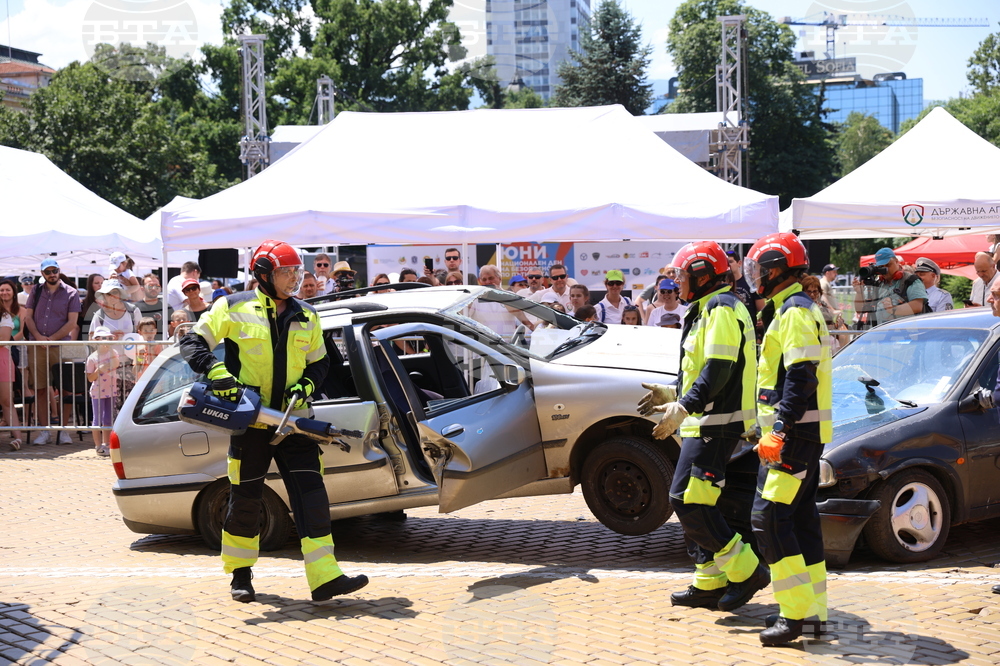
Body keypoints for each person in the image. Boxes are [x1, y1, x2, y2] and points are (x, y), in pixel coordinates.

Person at [180, 239, 368, 603]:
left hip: (295, 422)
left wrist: (307, 384)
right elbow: (192, 343)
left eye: (297, 271)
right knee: (245, 499)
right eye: (286, 272)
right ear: (264, 274)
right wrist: (216, 370)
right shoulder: (231, 307)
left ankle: (325, 576)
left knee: (312, 497)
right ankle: (241, 575)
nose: (294, 279)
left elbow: (322, 363)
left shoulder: (307, 315)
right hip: (250, 421)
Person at [637, 241, 764, 617]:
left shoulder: (722, 309)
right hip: (706, 422)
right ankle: (710, 583)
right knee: (703, 502)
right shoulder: (709, 309)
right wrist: (675, 392)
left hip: (716, 425)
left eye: (682, 275)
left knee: (686, 500)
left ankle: (747, 571)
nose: (677, 283)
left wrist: (684, 405)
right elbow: (704, 371)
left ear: (703, 275)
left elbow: (719, 370)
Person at [744, 232, 832, 645]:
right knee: (800, 521)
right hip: (802, 436)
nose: (756, 276)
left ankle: (793, 615)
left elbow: (800, 376)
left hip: (792, 438)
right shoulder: (790, 309)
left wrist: (779, 428)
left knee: (770, 519)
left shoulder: (794, 312)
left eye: (760, 268)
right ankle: (813, 616)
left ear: (776, 269)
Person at [22, 258, 81, 446]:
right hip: (37, 346)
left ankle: (63, 431)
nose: (52, 274)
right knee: (40, 388)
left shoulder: (72, 293)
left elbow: (72, 323)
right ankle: (44, 431)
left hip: (61, 346)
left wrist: (51, 339)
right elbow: (28, 318)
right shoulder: (36, 291)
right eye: (47, 272)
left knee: (65, 389)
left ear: (59, 270)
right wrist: (39, 337)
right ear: (42, 274)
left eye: (54, 270)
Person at [853, 248, 927, 326]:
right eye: (881, 267)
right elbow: (860, 309)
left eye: (888, 265)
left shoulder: (910, 280)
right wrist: (859, 292)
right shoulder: (878, 284)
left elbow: (917, 306)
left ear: (896, 261)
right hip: (882, 333)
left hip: (906, 332)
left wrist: (893, 309)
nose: (885, 269)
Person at [469, 265, 535, 337]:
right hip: (483, 345)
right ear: (480, 281)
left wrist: (535, 330)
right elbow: (463, 318)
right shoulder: (474, 298)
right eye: (484, 279)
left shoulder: (510, 296)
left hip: (506, 344)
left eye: (491, 278)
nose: (488, 282)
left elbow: (521, 317)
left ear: (499, 278)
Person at [85, 326, 120, 457]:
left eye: (109, 338)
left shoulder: (113, 352)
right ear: (97, 340)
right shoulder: (92, 358)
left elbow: (116, 364)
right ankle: (98, 445)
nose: (107, 341)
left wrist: (111, 351)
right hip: (97, 392)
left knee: (108, 417)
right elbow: (90, 378)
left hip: (111, 390)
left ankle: (107, 443)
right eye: (105, 338)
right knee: (97, 418)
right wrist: (99, 370)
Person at [0, 290, 24, 451]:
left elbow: (3, 339)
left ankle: (18, 438)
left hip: (2, 359)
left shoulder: (5, 316)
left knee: (7, 400)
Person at [79, 273, 105, 339]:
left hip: (105, 340)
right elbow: (76, 327)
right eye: (96, 283)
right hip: (86, 339)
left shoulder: (110, 304)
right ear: (90, 285)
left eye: (102, 283)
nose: (100, 285)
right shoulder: (83, 304)